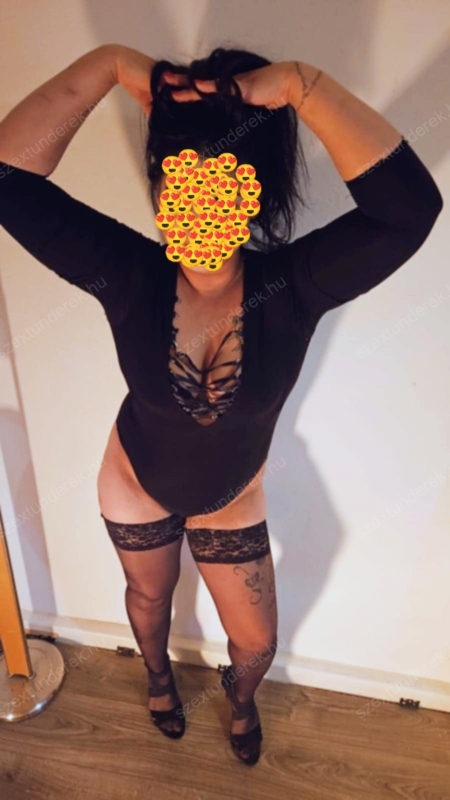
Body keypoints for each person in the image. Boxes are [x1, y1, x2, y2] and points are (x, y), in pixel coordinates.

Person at [0, 43, 443, 767]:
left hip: (230, 496)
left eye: (223, 184)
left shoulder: (297, 284)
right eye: (183, 182)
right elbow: (9, 178)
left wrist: (300, 83)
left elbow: (409, 211)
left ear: (253, 193)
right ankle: (157, 677)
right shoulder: (125, 271)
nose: (201, 205)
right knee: (148, 600)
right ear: (161, 185)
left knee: (256, 642)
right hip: (135, 478)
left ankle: (240, 701)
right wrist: (110, 64)